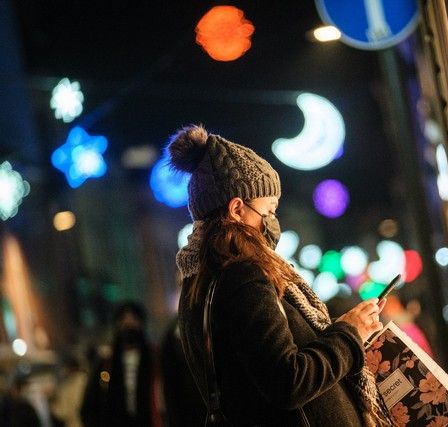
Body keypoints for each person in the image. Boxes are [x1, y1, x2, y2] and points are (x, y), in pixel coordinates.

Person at [170, 125, 393, 426]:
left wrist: (336, 331)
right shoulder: (242, 275)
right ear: (237, 209)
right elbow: (288, 380)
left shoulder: (198, 281)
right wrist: (348, 335)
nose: (273, 222)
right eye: (269, 209)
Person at [81, 301, 160, 427]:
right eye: (123, 319)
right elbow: (90, 404)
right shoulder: (106, 363)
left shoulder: (154, 358)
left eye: (133, 319)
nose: (128, 323)